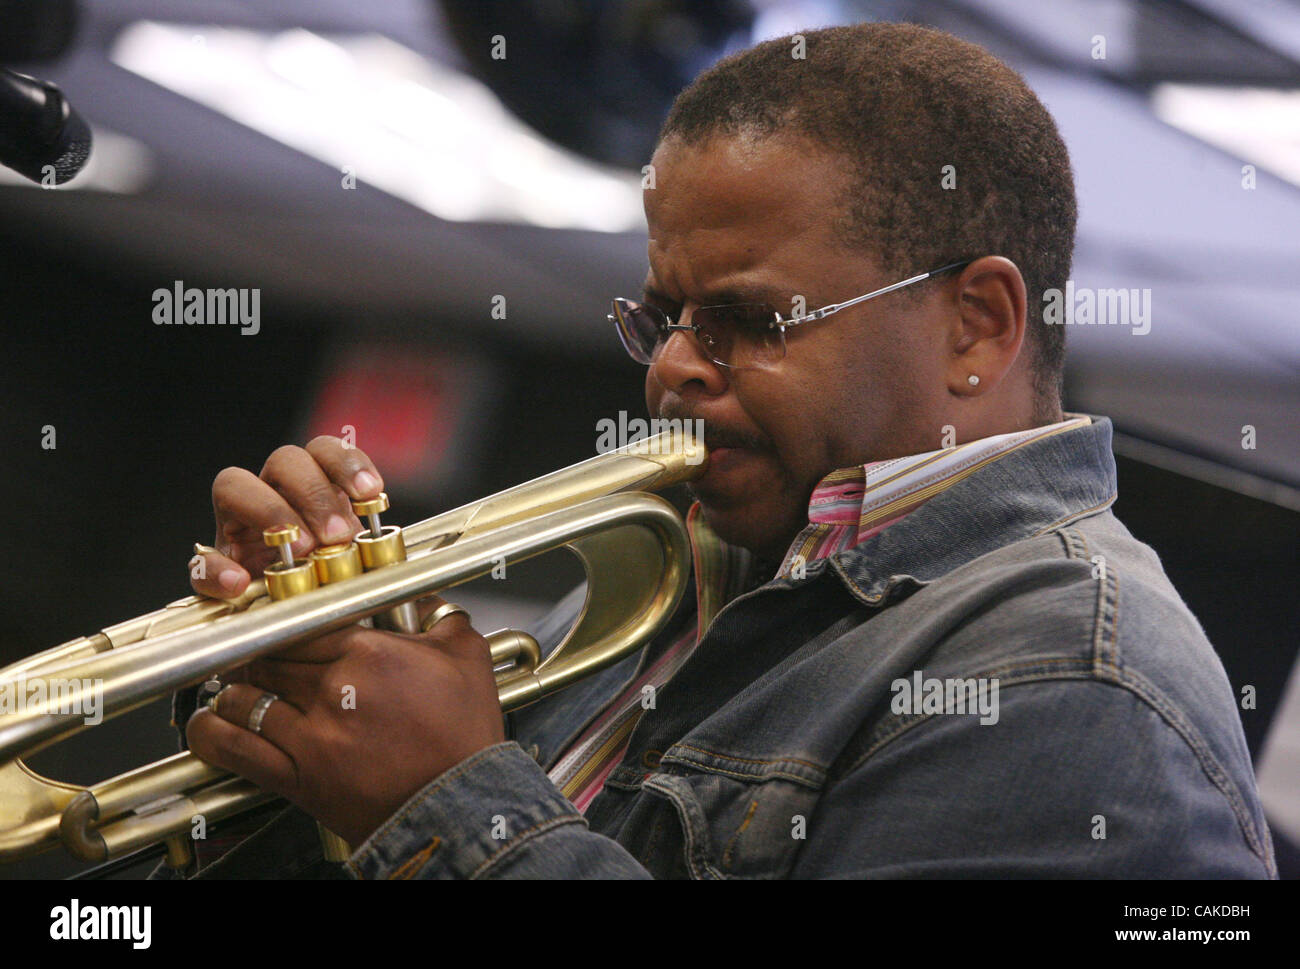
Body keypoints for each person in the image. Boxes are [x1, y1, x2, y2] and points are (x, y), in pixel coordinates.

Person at [174, 22, 1275, 878]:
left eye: (748, 322)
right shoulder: (701, 568)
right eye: (663, 318)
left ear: (976, 325)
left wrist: (447, 800)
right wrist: (301, 723)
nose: (670, 371)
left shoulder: (1074, 684)